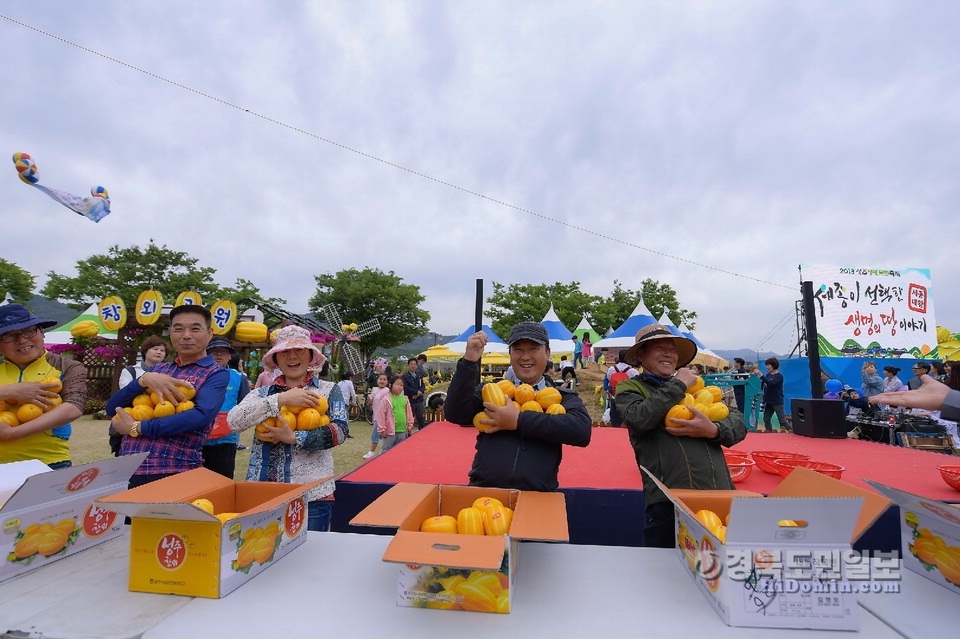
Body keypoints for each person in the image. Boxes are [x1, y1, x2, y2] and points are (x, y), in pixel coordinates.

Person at [615, 324, 747, 548]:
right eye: (659, 347)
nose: (668, 353)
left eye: (673, 349)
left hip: (719, 494)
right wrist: (678, 384)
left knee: (720, 569)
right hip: (669, 501)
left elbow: (738, 423)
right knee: (666, 572)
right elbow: (639, 418)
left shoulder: (698, 388)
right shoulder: (631, 388)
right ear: (641, 354)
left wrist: (713, 430)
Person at [444, 321, 592, 492]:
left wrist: (518, 421)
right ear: (510, 354)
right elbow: (455, 413)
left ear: (547, 353)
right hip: (484, 493)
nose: (525, 356)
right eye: (518, 350)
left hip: (538, 497)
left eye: (533, 349)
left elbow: (581, 431)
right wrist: (469, 362)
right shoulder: (491, 390)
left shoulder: (561, 396)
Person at [227, 325, 348, 532]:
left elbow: (340, 430)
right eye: (284, 352)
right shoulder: (262, 394)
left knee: (308, 560)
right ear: (275, 359)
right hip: (263, 494)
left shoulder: (328, 390)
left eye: (299, 350)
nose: (292, 356)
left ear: (310, 355)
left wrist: (295, 437)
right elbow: (234, 421)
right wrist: (281, 399)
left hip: (313, 497)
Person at [107, 305, 229, 488]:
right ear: (170, 333)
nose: (186, 335)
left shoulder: (216, 373)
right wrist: (143, 380)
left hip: (174, 468)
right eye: (178, 329)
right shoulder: (159, 369)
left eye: (195, 329)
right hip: (128, 468)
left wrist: (137, 427)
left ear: (209, 333)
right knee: (128, 518)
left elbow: (200, 416)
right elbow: (112, 407)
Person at [0, 304, 87, 469]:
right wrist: (10, 391)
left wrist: (13, 434)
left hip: (49, 463)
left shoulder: (67, 366)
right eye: (9, 336)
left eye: (28, 331)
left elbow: (74, 407)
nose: (22, 340)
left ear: (42, 332)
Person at [109, 336, 169, 456]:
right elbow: (125, 393)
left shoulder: (168, 372)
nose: (159, 352)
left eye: (162, 350)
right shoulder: (130, 371)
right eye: (155, 348)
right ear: (145, 351)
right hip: (132, 416)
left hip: (157, 418)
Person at [201, 337, 250, 479]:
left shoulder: (239, 378)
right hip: (198, 438)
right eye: (214, 352)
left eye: (223, 352)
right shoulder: (197, 375)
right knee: (197, 481)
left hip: (226, 439)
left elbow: (244, 405)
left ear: (230, 356)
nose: (219, 355)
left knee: (222, 479)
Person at [376, 375, 413, 453]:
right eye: (397, 384)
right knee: (386, 450)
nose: (399, 387)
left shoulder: (405, 399)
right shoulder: (386, 399)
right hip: (390, 432)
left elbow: (409, 413)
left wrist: (410, 425)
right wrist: (382, 429)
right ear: (390, 385)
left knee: (400, 451)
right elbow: (381, 415)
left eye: (401, 385)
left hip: (402, 430)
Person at [753, 357, 789, 432]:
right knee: (766, 418)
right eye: (767, 365)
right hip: (768, 401)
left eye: (769, 365)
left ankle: (793, 430)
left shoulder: (779, 376)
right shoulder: (768, 375)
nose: (767, 367)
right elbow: (763, 384)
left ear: (774, 365)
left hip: (777, 401)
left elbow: (770, 383)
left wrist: (760, 374)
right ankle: (769, 431)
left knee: (782, 420)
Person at [605, 350, 638, 427]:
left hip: (615, 397)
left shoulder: (611, 370)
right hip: (628, 399)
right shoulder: (633, 372)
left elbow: (609, 379)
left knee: (614, 420)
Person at [363, 372, 390, 459]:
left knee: (377, 434)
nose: (382, 381)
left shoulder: (387, 391)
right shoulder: (375, 389)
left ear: (387, 381)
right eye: (380, 379)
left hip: (383, 418)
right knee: (379, 435)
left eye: (384, 379)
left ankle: (372, 452)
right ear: (377, 380)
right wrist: (368, 397)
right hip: (376, 416)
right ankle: (379, 451)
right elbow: (372, 402)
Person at [402, 357, 426, 432]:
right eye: (411, 364)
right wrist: (416, 392)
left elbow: (423, 386)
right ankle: (408, 433)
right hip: (410, 400)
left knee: (421, 417)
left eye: (414, 364)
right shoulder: (405, 376)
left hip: (419, 400)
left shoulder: (419, 375)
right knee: (410, 418)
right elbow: (406, 388)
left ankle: (422, 431)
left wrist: (419, 392)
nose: (413, 366)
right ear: (408, 365)